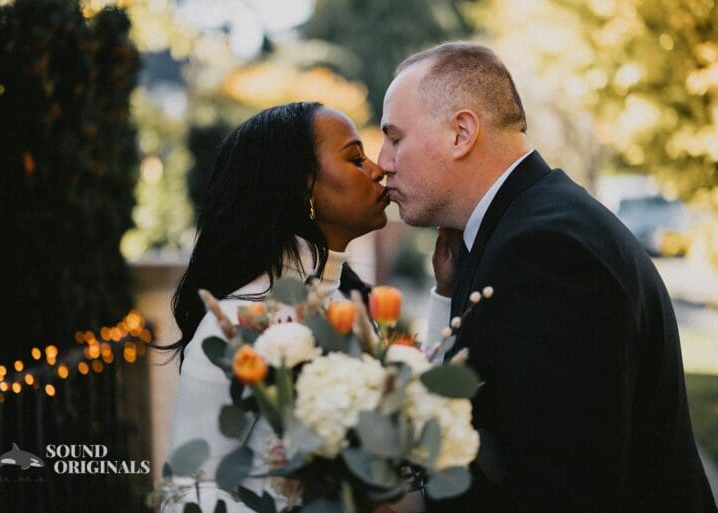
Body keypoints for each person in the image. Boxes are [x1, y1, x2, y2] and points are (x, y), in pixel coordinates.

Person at [378, 42, 717, 513]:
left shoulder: (544, 250)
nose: (382, 163)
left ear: (461, 132)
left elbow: (557, 486)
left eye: (395, 138)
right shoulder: (518, 227)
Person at [162, 102, 428, 513]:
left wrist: (444, 291)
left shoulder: (351, 309)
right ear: (304, 187)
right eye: (356, 158)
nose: (378, 169)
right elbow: (186, 494)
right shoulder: (235, 325)